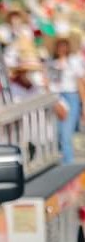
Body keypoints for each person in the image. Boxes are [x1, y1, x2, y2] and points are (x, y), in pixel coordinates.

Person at [46, 31, 85, 163]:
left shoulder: (74, 61)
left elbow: (80, 84)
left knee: (66, 134)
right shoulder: (50, 62)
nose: (62, 48)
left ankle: (68, 165)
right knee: (57, 133)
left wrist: (84, 105)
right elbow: (47, 81)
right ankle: (62, 163)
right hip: (56, 97)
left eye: (64, 45)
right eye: (59, 45)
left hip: (71, 97)